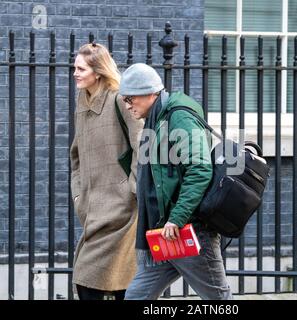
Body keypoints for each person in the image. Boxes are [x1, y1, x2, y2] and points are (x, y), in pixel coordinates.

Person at [121, 63, 232, 300]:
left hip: (187, 230)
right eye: (125, 100)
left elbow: (199, 169)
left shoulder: (178, 116)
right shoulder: (157, 118)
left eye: (131, 98)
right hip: (166, 233)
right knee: (135, 297)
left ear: (151, 93)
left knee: (219, 300)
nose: (128, 105)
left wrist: (177, 218)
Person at [70, 43, 143, 300]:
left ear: (98, 72)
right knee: (102, 283)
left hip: (122, 211)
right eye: (75, 67)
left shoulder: (119, 100)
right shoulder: (83, 102)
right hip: (93, 210)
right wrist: (79, 195)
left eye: (81, 68)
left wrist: (131, 190)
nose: (75, 73)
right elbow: (76, 154)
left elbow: (142, 145)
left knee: (93, 281)